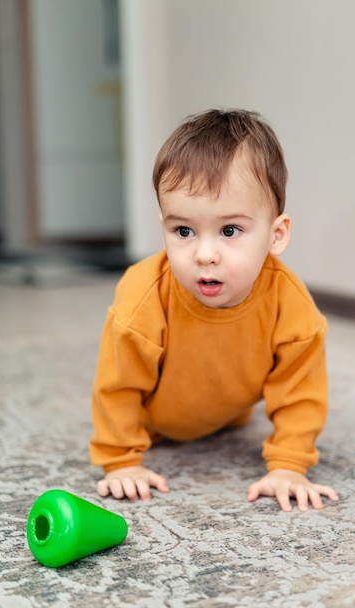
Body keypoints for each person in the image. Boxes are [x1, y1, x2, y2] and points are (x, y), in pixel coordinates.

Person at [90, 108, 339, 512]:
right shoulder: (143, 295)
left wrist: (289, 465)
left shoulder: (290, 303)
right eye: (183, 231)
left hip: (228, 418)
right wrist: (120, 463)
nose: (205, 254)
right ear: (164, 228)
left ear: (276, 235)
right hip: (154, 423)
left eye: (229, 231)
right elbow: (118, 386)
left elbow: (300, 392)